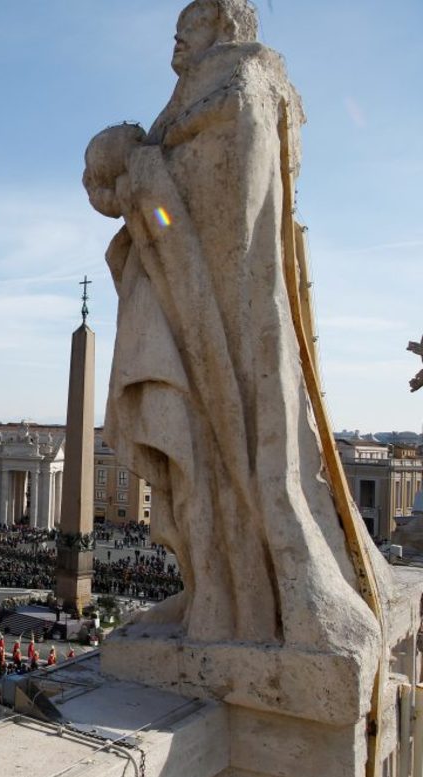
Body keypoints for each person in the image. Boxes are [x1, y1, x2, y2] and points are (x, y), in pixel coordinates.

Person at [83, 0, 387, 652]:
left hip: (226, 308)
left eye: (182, 32)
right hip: (199, 296)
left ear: (221, 21)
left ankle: (238, 598)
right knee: (205, 453)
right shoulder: (202, 102)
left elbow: (218, 186)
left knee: (230, 446)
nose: (173, 52)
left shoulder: (246, 76)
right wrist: (137, 185)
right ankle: (214, 587)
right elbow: (160, 191)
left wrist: (142, 178)